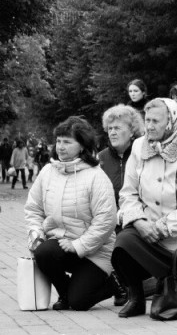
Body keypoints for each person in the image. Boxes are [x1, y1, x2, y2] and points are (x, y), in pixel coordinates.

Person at [112, 98, 177, 318]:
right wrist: (139, 221)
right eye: (147, 120)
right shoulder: (138, 146)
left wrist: (162, 227)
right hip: (146, 232)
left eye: (156, 121)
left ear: (171, 122)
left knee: (170, 292)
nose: (149, 126)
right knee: (123, 240)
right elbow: (128, 193)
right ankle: (136, 298)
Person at [24, 116, 119, 311]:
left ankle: (114, 284)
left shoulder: (96, 176)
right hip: (63, 244)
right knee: (43, 252)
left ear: (82, 145)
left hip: (96, 251)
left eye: (67, 142)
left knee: (80, 302)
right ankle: (65, 294)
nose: (60, 147)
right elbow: (33, 208)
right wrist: (36, 233)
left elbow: (106, 221)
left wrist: (78, 245)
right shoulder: (47, 172)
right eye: (58, 141)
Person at [98, 104, 145, 306]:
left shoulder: (143, 154)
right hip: (108, 220)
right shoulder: (100, 159)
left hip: (136, 218)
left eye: (118, 128)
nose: (112, 132)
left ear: (132, 131)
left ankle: (129, 285)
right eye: (110, 128)